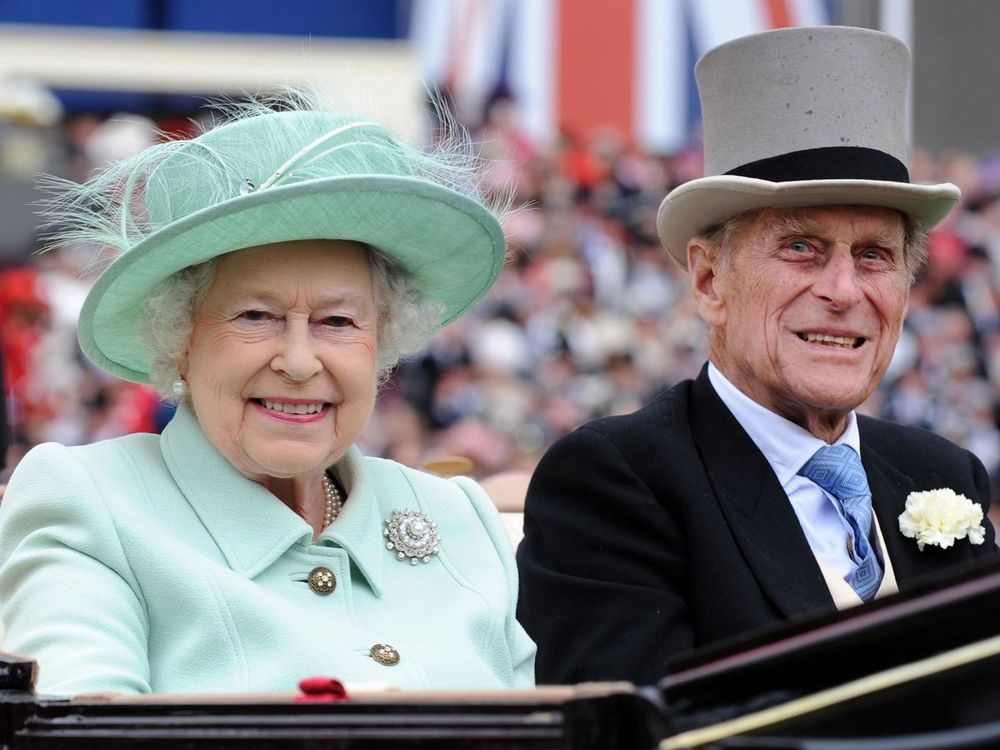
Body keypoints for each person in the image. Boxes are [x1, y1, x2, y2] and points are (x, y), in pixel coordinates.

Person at [0, 94, 535, 695]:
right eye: (255, 316)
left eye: (337, 322)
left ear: (381, 342)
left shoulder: (460, 518)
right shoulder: (91, 502)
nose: (300, 362)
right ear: (180, 337)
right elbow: (81, 728)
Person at [516, 25, 999, 686]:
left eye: (874, 255)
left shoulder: (940, 472)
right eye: (801, 247)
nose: (843, 291)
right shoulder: (620, 481)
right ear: (709, 280)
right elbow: (637, 725)